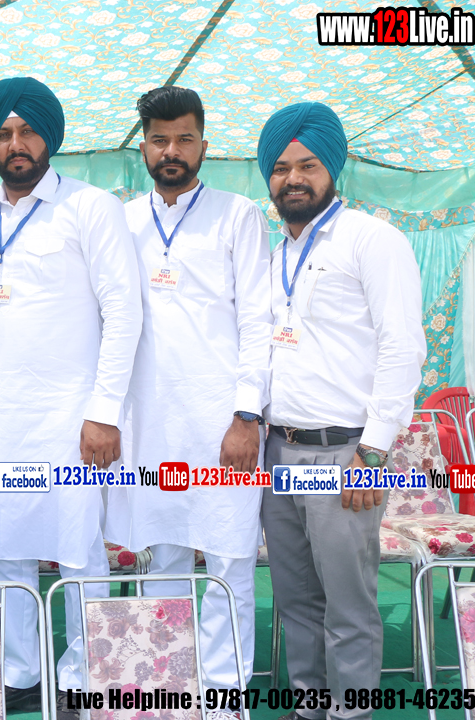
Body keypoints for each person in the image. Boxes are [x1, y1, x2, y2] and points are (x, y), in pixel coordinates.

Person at [0, 78, 143, 718]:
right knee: (4, 545)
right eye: (4, 134)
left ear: (49, 137)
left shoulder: (91, 206)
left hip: (71, 415)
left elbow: (123, 312)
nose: (16, 144)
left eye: (27, 131)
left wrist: (103, 412)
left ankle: (85, 675)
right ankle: (19, 670)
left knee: (78, 547)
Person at [256, 102, 426, 720]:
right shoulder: (274, 253)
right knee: (295, 596)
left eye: (307, 165)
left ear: (333, 167)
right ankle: (308, 707)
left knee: (347, 602)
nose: (293, 179)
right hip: (279, 450)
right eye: (280, 168)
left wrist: (373, 452)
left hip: (345, 452)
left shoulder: (372, 239)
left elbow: (403, 347)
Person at [105, 86, 271, 713]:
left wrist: (247, 414)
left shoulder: (237, 215)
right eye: (159, 140)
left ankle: (225, 695)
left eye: (184, 139)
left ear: (204, 144)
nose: (171, 150)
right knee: (163, 554)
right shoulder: (121, 222)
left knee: (229, 556)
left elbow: (257, 322)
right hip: (149, 423)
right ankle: (166, 690)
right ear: (143, 147)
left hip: (223, 422)